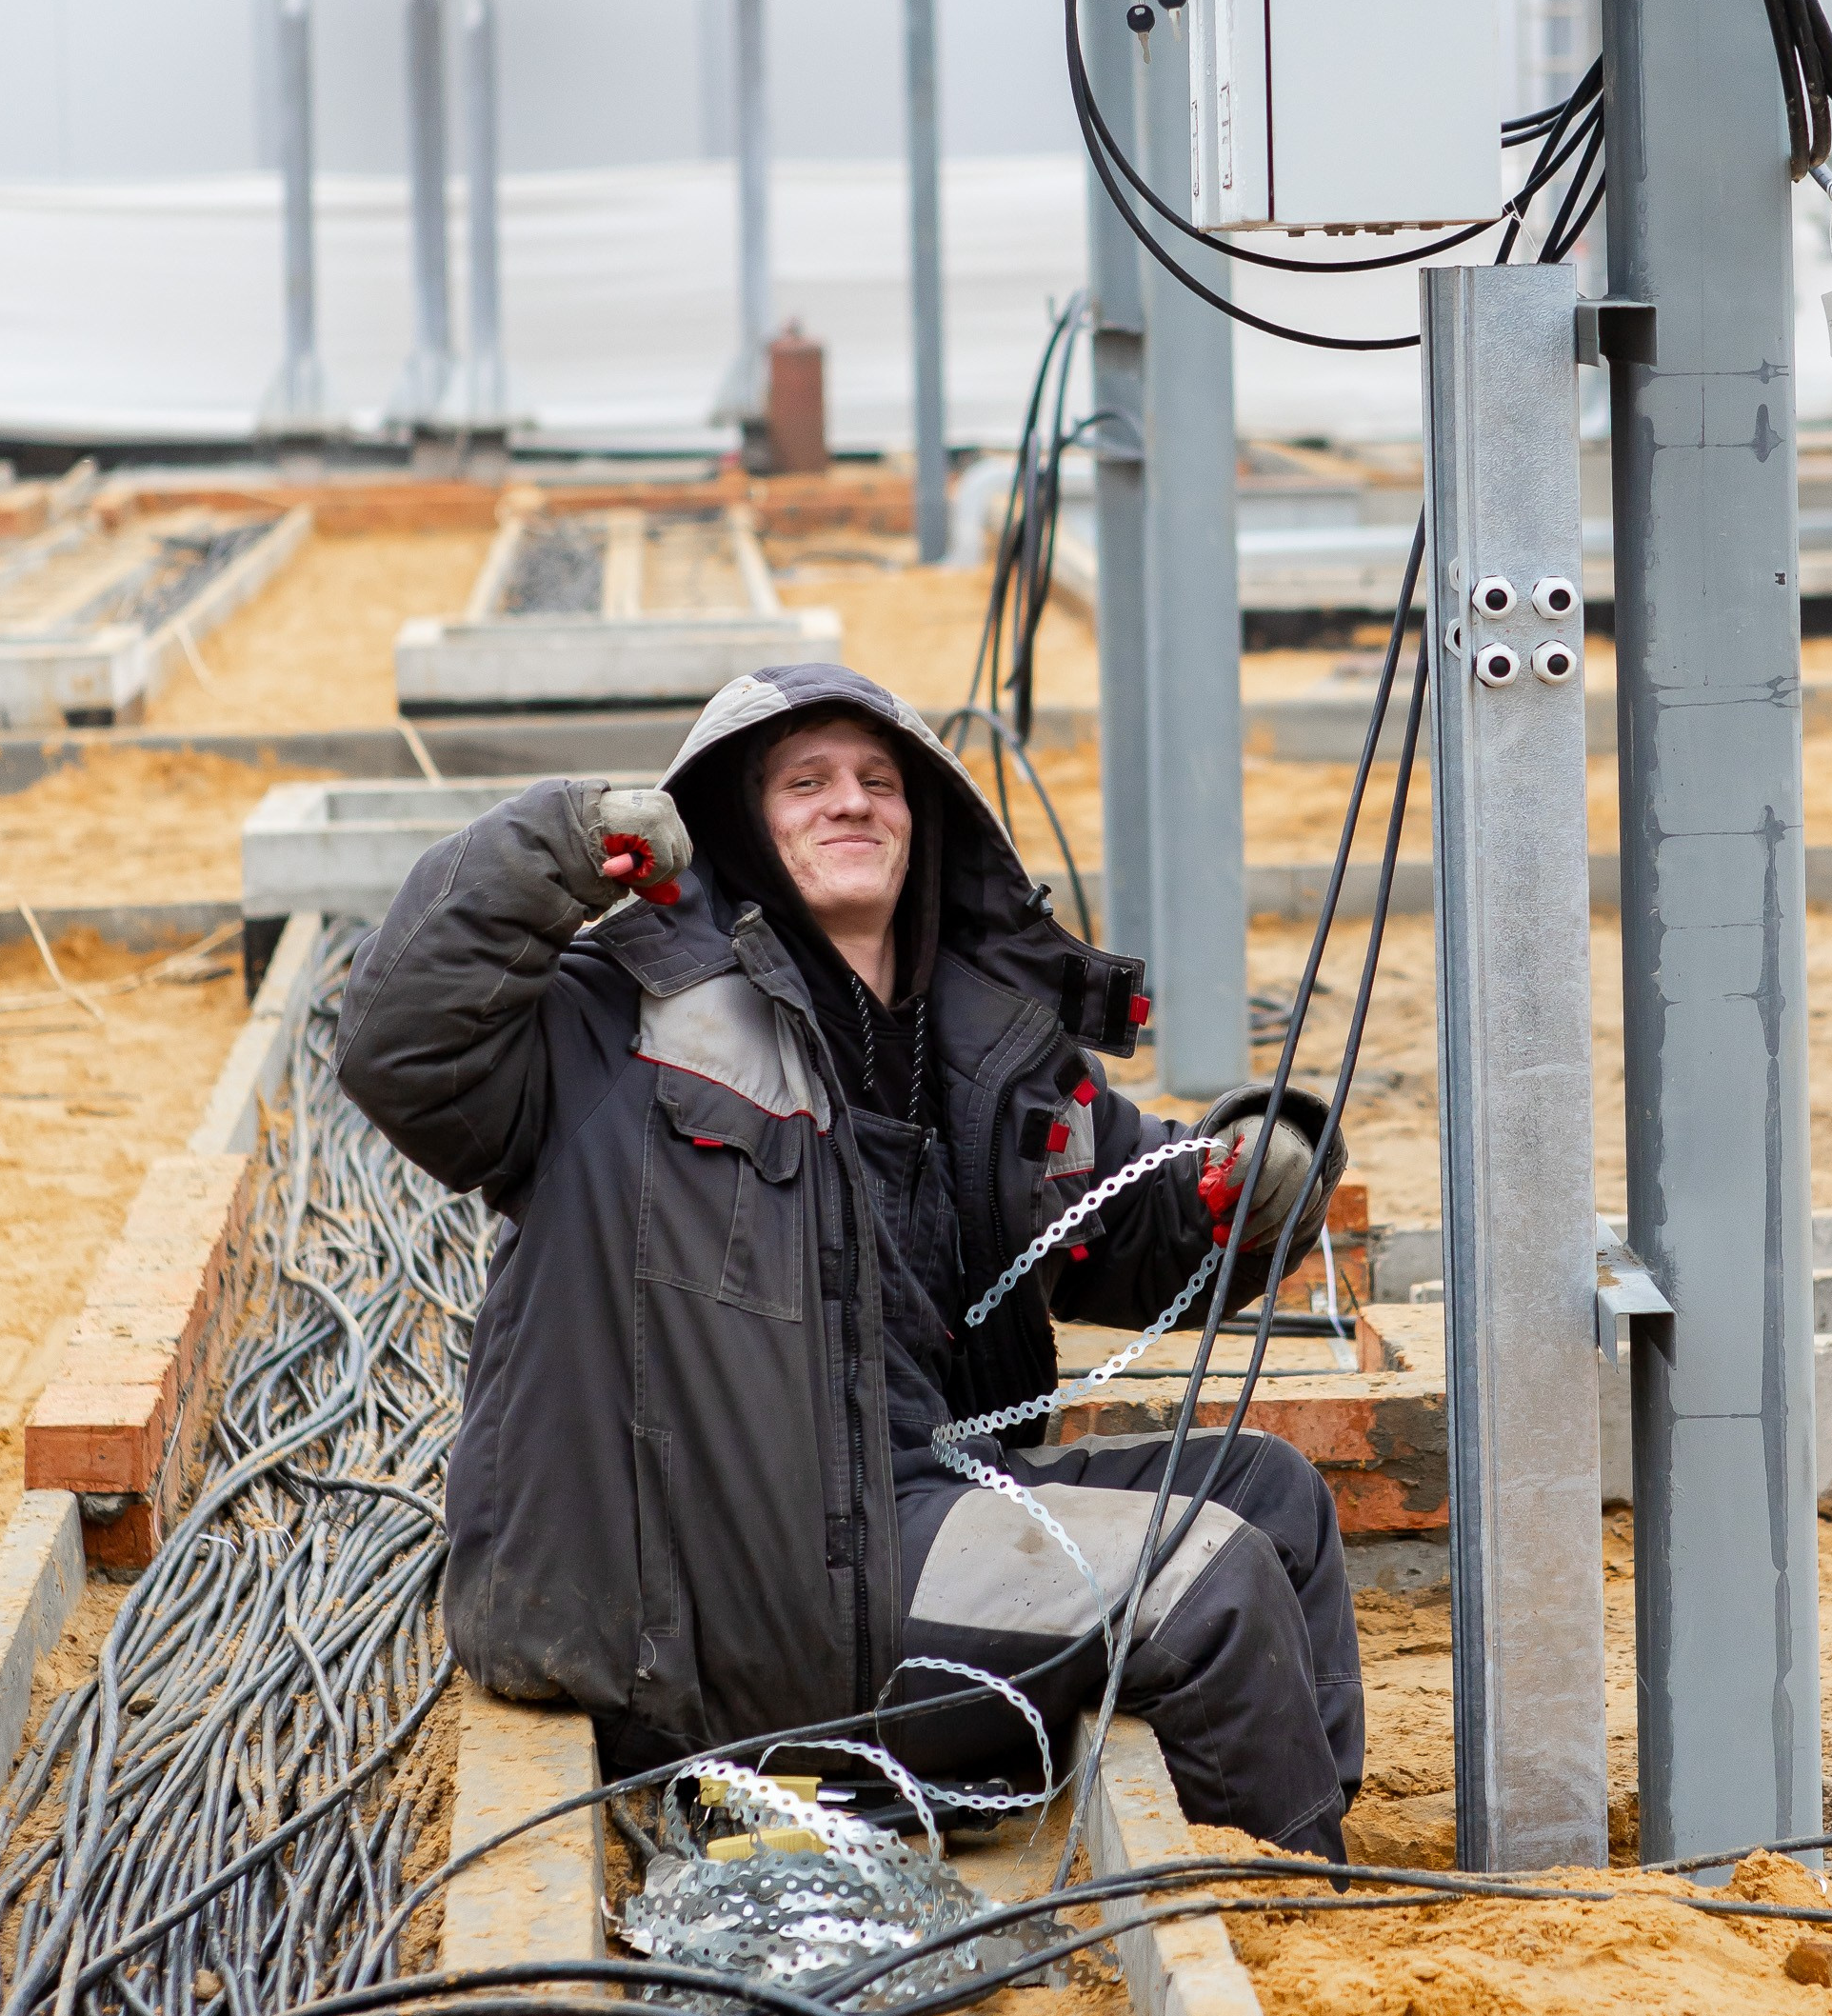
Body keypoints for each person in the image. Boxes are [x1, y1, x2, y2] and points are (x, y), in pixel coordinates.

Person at [336, 662, 1364, 1856]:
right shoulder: (612, 1023)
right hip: (732, 1597)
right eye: (805, 781)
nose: (851, 802)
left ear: (925, 828)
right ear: (735, 824)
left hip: (911, 1516)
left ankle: (1296, 1837)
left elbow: (1127, 1225)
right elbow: (401, 1044)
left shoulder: (982, 1048)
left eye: (881, 781)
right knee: (1208, 1581)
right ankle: (1286, 1917)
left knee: (1271, 1499)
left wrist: (1262, 1166)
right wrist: (550, 843)